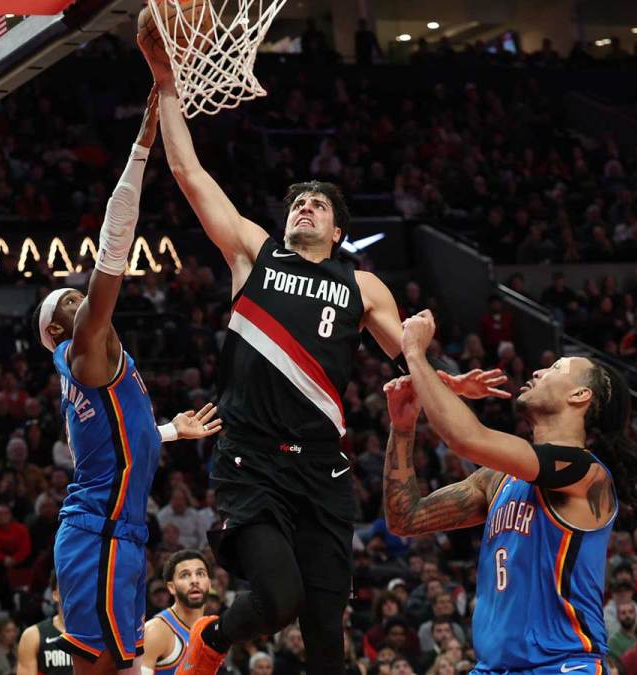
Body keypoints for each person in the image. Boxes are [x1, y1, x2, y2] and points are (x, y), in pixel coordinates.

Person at [140, 34, 404, 675]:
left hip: (324, 470)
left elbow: (409, 358)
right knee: (278, 598)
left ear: (338, 231)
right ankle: (210, 639)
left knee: (325, 636)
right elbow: (190, 174)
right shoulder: (253, 255)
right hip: (251, 460)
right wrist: (164, 79)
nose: (305, 207)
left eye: (318, 205)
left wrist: (448, 382)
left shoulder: (361, 286)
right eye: (298, 203)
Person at [31, 90, 221, 675]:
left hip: (122, 534)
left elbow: (112, 445)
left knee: (121, 665)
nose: (79, 293)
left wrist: (165, 431)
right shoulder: (84, 347)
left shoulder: (97, 363)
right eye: (71, 297)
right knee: (99, 668)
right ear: (62, 325)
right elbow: (114, 248)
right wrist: (141, 147)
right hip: (98, 535)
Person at [380, 309, 637, 675]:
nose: (539, 371)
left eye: (556, 368)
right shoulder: (496, 479)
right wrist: (402, 428)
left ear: (580, 395)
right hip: (494, 668)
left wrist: (414, 353)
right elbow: (405, 517)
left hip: (563, 665)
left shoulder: (586, 474)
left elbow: (467, 438)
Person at [141, 550, 212, 674]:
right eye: (185, 575)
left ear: (209, 584)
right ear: (171, 587)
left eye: (200, 574)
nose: (194, 580)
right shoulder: (156, 631)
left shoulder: (211, 629)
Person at [15, 575, 73, 675]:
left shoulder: (98, 634)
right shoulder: (33, 635)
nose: (72, 590)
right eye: (65, 585)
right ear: (55, 595)